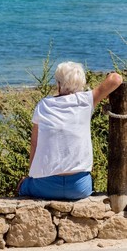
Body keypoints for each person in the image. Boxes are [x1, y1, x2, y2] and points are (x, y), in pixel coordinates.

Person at [18, 61, 123, 200]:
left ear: (58, 84)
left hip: (44, 186)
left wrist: (31, 175)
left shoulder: (43, 105)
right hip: (79, 187)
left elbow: (34, 144)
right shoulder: (87, 100)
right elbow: (116, 79)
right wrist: (109, 75)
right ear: (81, 82)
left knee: (22, 185)